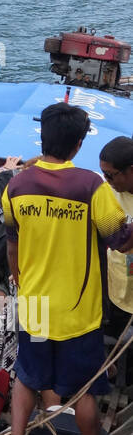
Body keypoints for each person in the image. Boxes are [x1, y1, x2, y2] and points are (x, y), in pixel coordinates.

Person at [0, 103, 133, 435]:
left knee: (26, 377)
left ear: (44, 140)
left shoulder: (16, 186)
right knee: (84, 391)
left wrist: (22, 283)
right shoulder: (91, 186)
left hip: (34, 306)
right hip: (77, 313)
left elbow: (11, 246)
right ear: (77, 144)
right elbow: (121, 241)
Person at [98, 136, 133, 337]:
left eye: (110, 175)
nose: (106, 181)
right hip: (116, 291)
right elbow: (121, 244)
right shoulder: (107, 193)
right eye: (103, 174)